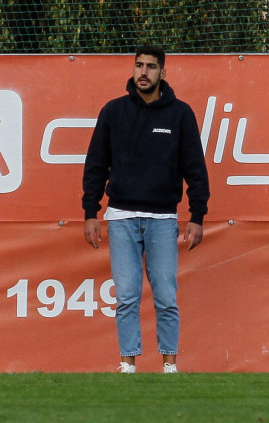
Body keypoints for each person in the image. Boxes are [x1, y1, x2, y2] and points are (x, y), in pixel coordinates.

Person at [82, 45, 210, 374]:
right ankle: (128, 365)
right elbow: (96, 166)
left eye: (151, 67)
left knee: (166, 295)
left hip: (163, 220)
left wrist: (196, 217)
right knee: (126, 296)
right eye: (139, 65)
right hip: (121, 218)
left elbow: (196, 169)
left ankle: (169, 367)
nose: (143, 72)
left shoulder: (180, 114)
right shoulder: (113, 112)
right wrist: (90, 213)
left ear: (162, 73)